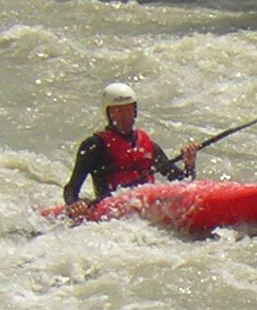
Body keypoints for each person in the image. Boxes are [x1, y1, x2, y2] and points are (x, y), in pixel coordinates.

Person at [61, 82, 199, 218]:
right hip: (113, 213)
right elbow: (71, 189)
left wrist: (189, 164)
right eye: (118, 111)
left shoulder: (149, 146)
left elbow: (183, 183)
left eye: (128, 110)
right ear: (109, 114)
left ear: (135, 111)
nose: (125, 116)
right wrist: (75, 204)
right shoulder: (94, 146)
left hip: (146, 206)